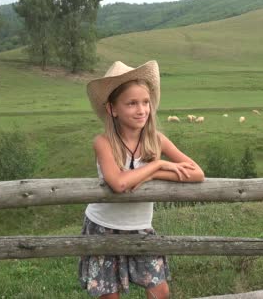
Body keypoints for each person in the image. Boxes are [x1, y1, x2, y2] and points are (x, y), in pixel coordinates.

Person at [79, 60, 205, 298]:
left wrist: (154, 172)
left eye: (146, 102)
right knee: (110, 295)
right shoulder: (103, 142)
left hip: (140, 228)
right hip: (103, 228)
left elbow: (197, 172)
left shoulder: (156, 140)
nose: (141, 110)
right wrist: (157, 164)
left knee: (160, 291)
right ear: (112, 109)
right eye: (132, 103)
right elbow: (119, 183)